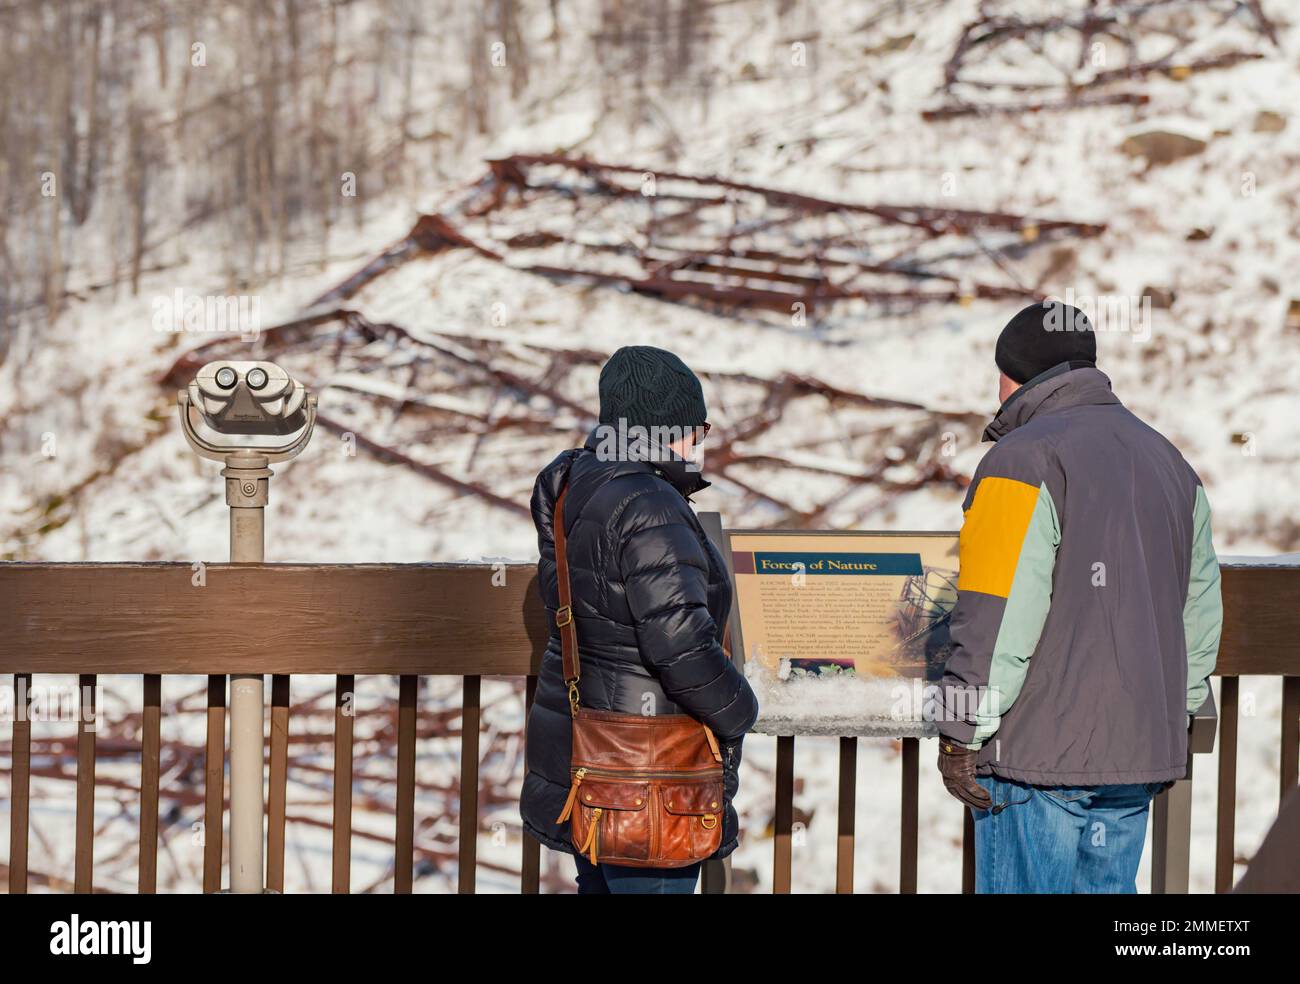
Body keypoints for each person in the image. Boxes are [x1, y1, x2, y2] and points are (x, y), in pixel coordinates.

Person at [935, 300, 1222, 894]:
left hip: (1035, 759)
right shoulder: (1171, 464)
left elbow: (996, 615)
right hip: (1137, 755)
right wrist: (1176, 711)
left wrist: (960, 730)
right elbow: (1198, 615)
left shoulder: (1020, 460)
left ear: (1013, 373)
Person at [520, 344, 759, 894]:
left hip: (588, 758)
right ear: (661, 430)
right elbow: (681, 646)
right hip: (650, 774)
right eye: (695, 428)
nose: (701, 442)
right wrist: (741, 708)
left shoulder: (577, 487)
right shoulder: (650, 503)